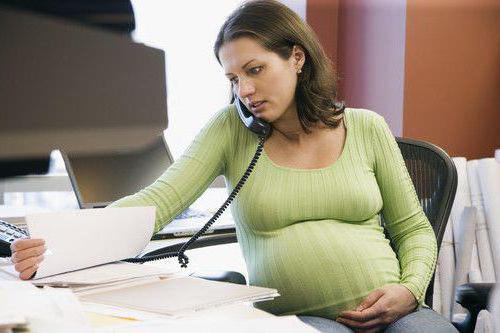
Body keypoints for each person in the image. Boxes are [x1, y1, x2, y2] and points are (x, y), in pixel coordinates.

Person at [10, 1, 458, 332]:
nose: (244, 88)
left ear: (296, 58)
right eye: (233, 78)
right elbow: (158, 201)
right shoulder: (232, 129)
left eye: (256, 69)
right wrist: (58, 249)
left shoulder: (366, 127)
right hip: (302, 320)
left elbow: (414, 229)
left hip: (397, 311)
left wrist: (409, 290)